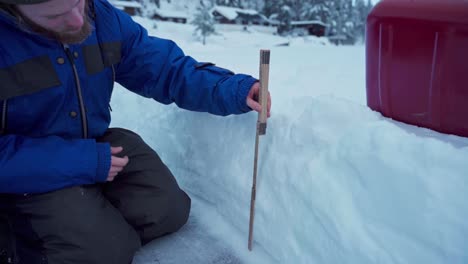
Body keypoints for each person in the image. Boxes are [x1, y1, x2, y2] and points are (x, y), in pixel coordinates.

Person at [0, 0, 272, 262]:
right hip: (24, 173)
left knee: (168, 210)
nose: (78, 19)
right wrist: (82, 162)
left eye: (78, 2)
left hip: (92, 142)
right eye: (54, 16)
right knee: (102, 252)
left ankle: (92, 224)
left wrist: (230, 89)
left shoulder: (102, 17)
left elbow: (163, 68)